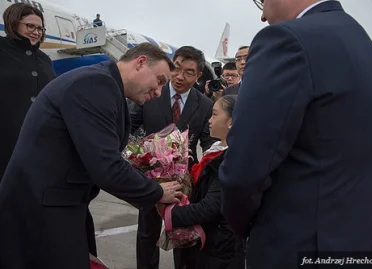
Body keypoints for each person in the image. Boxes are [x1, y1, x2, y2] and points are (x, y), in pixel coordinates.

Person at [218, 1, 372, 268]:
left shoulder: (285, 40)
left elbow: (244, 169)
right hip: (361, 244)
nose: (263, 16)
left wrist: (249, 227)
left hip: (298, 246)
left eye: (263, 1)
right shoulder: (366, 47)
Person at [0, 43, 183, 269]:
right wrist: (156, 192)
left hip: (58, 202)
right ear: (141, 63)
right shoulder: (96, 84)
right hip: (42, 209)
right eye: (160, 80)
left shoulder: (104, 85)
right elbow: (106, 166)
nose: (158, 92)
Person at [128, 45, 217, 269]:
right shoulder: (151, 92)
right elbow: (130, 126)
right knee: (147, 233)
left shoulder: (204, 104)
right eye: (176, 68)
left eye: (189, 72)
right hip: (150, 177)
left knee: (181, 234)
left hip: (184, 182)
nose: (179, 76)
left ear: (198, 75)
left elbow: (207, 142)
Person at [156, 95, 245, 269]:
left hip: (220, 247)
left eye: (214, 115)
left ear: (231, 122)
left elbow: (210, 207)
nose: (209, 121)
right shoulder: (217, 151)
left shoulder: (232, 160)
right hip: (210, 243)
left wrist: (169, 213)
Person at [0, 3, 56, 181]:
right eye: (30, 26)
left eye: (40, 28)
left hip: (37, 143)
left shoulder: (44, 59)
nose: (36, 32)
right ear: (13, 23)